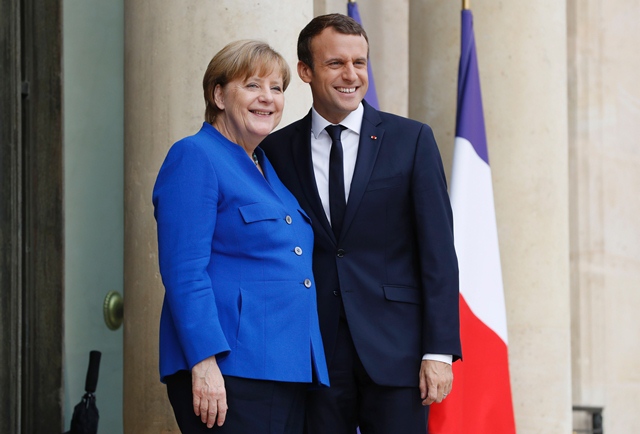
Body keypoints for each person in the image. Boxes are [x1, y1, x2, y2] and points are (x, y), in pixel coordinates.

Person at [259, 14, 461, 434]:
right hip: (313, 353)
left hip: (398, 352)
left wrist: (439, 351)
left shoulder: (412, 140)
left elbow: (439, 253)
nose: (351, 75)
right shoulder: (275, 149)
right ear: (306, 71)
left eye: (360, 63)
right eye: (336, 63)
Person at [152, 40, 329, 434]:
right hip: (232, 369)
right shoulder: (195, 155)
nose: (267, 98)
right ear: (218, 94)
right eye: (252, 85)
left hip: (287, 368)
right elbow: (184, 272)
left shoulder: (265, 165)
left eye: (277, 88)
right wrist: (204, 361)